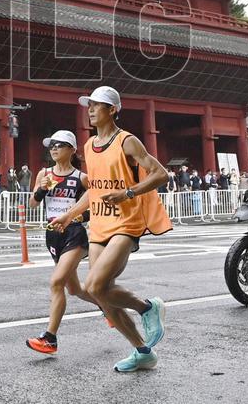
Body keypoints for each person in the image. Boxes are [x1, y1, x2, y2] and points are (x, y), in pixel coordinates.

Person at [52, 86, 172, 373]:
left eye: (97, 105)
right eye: (89, 105)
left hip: (126, 223)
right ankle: (142, 351)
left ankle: (147, 307)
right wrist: (69, 214)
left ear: (113, 109)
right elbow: (94, 190)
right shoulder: (89, 146)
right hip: (99, 225)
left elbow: (161, 174)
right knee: (101, 294)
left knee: (94, 286)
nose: (91, 110)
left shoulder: (127, 141)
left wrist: (128, 193)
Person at [26, 129, 99, 355]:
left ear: (72, 149)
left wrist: (78, 217)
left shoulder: (81, 178)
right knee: (74, 289)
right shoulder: (45, 173)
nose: (54, 149)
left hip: (74, 233)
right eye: (51, 145)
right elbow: (32, 204)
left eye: (59, 145)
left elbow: (96, 204)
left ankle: (50, 338)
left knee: (57, 282)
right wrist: (42, 189)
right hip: (52, 234)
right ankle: (108, 306)